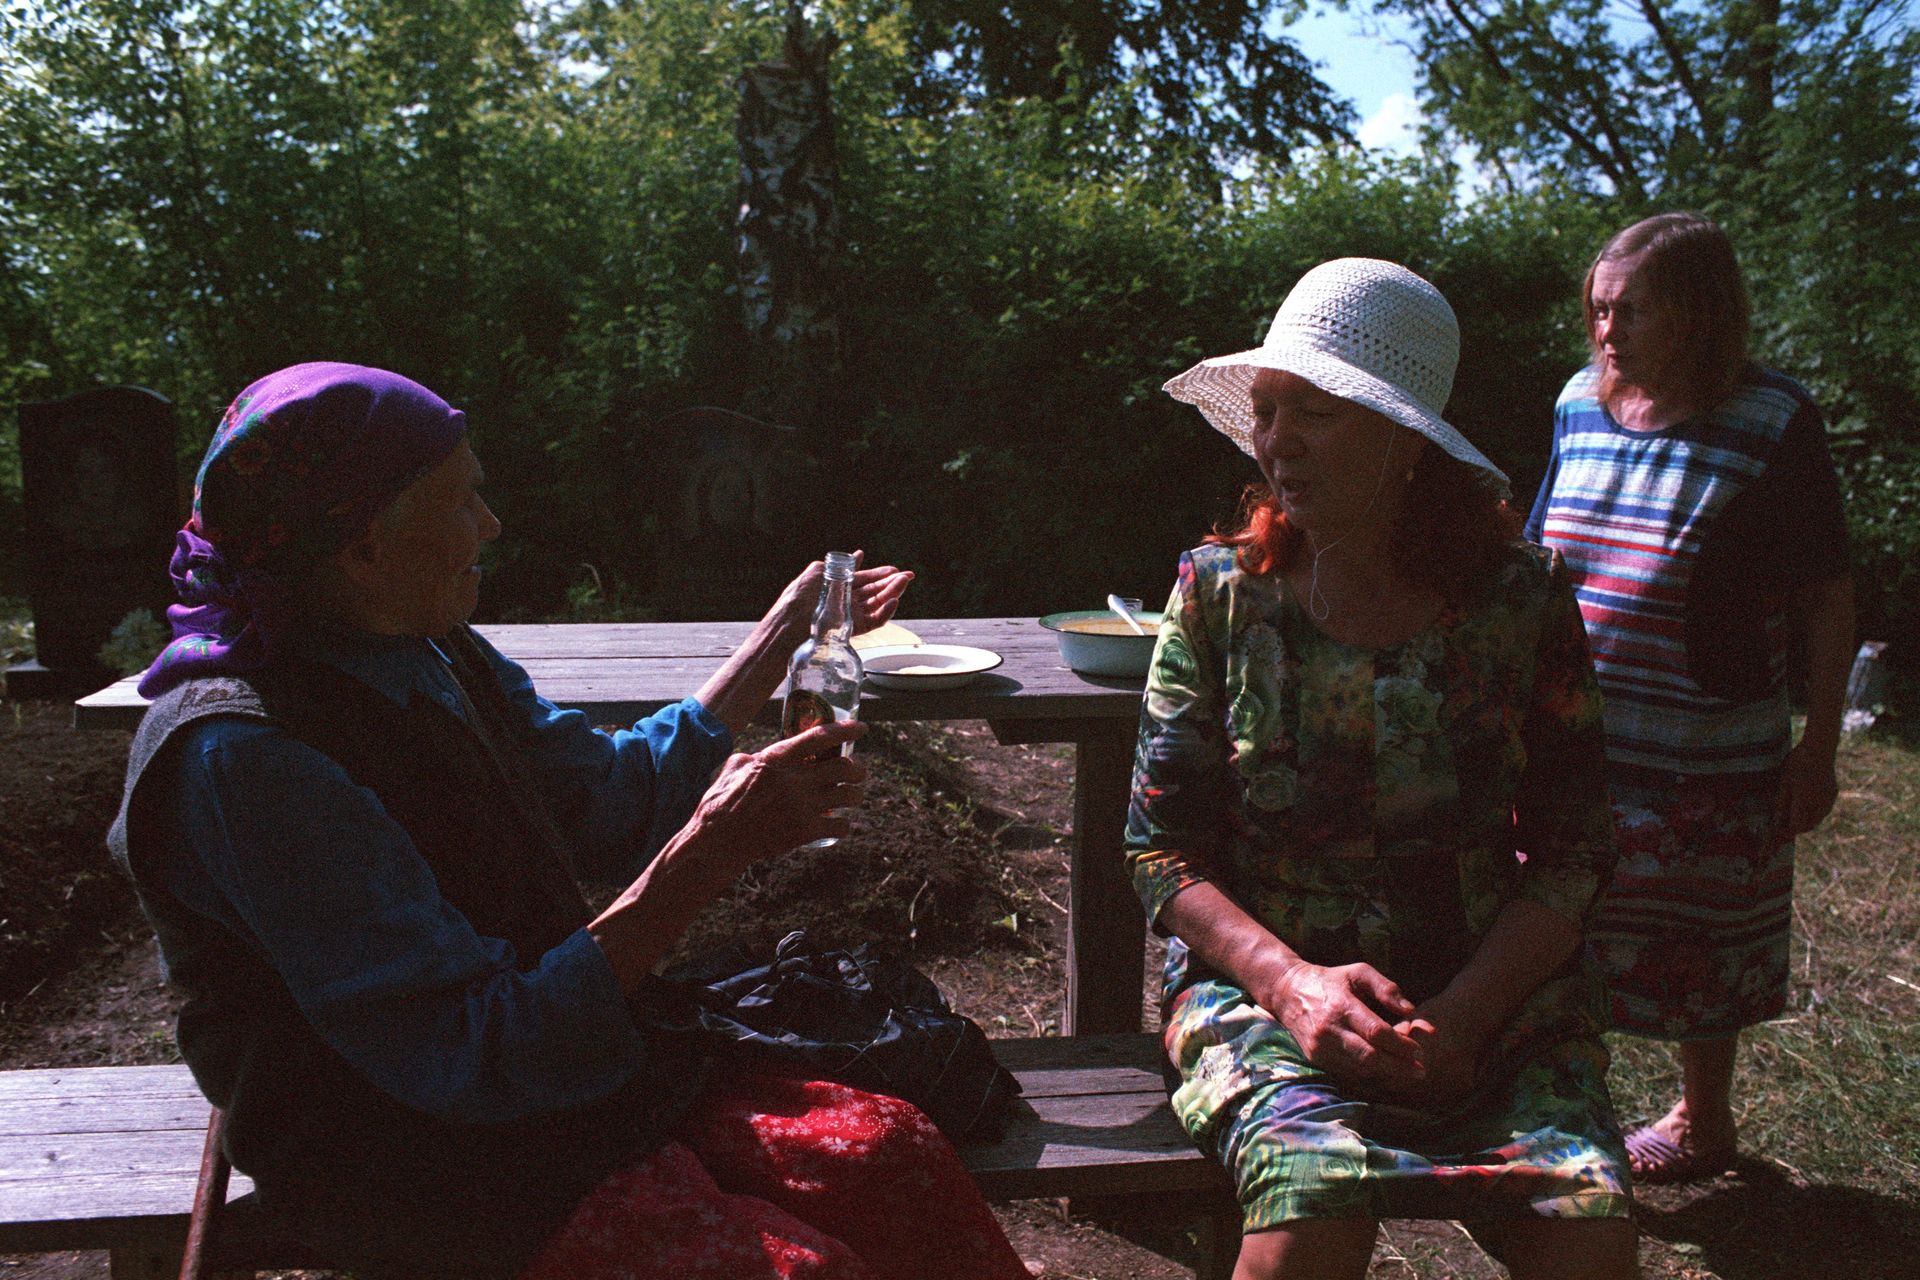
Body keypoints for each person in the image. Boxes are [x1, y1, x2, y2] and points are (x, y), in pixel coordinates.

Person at [108, 363, 1032, 1280]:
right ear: (362, 549)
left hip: (563, 1077)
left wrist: (779, 637)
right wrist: (704, 857)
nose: (491, 526)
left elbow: (608, 801)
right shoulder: (248, 758)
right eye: (462, 503)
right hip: (411, 1159)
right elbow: (476, 1053)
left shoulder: (424, 648)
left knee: (890, 1156)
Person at [1144, 259, 1636, 1280]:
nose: (1278, 442)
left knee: (1586, 1239)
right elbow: (1160, 852)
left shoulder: (1520, 599)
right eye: (1267, 411)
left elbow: (1577, 849)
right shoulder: (1221, 594)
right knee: (1311, 1215)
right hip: (1265, 996)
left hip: (1491, 997)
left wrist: (1465, 1019)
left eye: (1315, 413)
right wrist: (1292, 986)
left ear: (1407, 439)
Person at [1524, 213, 1856, 1184]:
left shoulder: (1773, 421)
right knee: (1554, 925)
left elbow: (1829, 595)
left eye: (1629, 311)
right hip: (1579, 734)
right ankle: (1555, 1107)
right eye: (1597, 309)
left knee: (1703, 937)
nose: (1606, 331)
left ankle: (1704, 1122)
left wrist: (1819, 749)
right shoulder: (1577, 402)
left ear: (1700, 313)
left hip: (1709, 748)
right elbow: (1538, 552)